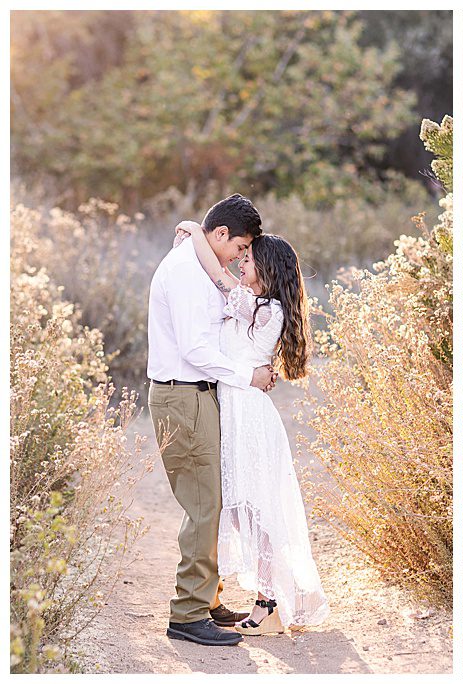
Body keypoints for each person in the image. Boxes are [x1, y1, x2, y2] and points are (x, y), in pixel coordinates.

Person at [173, 219, 330, 635]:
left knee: (257, 513)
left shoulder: (262, 307)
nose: (242, 261)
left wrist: (196, 228)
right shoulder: (256, 305)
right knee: (243, 511)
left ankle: (269, 605)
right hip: (238, 410)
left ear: (268, 269)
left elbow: (215, 273)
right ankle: (260, 596)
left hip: (249, 417)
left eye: (249, 257)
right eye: (242, 254)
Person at [147, 193, 276, 647]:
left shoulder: (198, 263)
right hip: (183, 396)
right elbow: (194, 350)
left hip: (199, 396)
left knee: (213, 502)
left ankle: (207, 600)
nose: (241, 257)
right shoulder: (185, 272)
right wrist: (249, 375)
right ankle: (186, 614)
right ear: (220, 234)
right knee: (204, 506)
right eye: (240, 248)